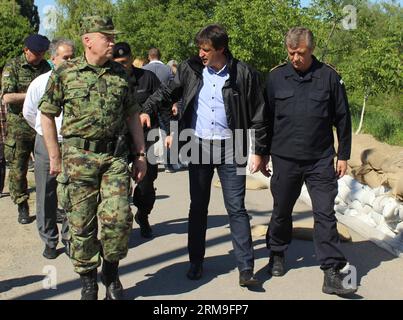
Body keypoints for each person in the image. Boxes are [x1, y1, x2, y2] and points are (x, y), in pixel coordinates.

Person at [143, 24, 268, 287]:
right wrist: (146, 108)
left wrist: (259, 150)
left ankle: (246, 268)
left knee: (237, 208)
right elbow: (167, 92)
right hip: (197, 144)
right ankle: (196, 262)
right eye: (199, 48)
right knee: (198, 207)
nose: (201, 53)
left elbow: (259, 114)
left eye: (206, 49)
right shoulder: (191, 69)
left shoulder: (243, 73)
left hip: (234, 146)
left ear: (221, 49)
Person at [39, 16, 147, 300]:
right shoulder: (65, 73)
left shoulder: (122, 74)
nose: (112, 42)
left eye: (113, 38)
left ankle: (111, 273)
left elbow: (132, 115)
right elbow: (47, 114)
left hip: (114, 158)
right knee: (81, 224)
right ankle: (88, 279)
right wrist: (55, 156)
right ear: (88, 40)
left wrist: (141, 154)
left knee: (119, 219)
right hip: (78, 158)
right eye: (106, 37)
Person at [261, 27, 357, 295]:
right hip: (285, 158)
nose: (295, 58)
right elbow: (265, 119)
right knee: (281, 211)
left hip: (320, 159)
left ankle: (331, 271)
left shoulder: (329, 77)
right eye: (291, 53)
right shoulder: (276, 78)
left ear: (311, 50)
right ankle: (277, 253)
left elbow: (343, 118)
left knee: (325, 214)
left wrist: (344, 155)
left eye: (300, 53)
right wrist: (262, 152)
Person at [23, 39, 75, 259]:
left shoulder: (79, 81)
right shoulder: (40, 82)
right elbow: (29, 113)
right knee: (47, 193)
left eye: (73, 57)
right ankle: (50, 240)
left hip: (73, 144)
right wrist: (46, 133)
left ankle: (70, 238)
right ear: (53, 59)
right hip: (46, 142)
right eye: (66, 57)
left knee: (73, 194)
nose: (70, 61)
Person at [112, 42, 161, 239]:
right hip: (119, 139)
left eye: (125, 61)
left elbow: (162, 97)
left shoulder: (147, 78)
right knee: (118, 184)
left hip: (147, 136)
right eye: (118, 62)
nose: (123, 65)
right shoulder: (109, 80)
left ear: (132, 58)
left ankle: (143, 214)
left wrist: (147, 111)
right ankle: (122, 221)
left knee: (146, 184)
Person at [1, 34, 51, 224]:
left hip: (41, 125)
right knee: (18, 169)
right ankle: (22, 205)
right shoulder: (13, 66)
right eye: (36, 53)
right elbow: (6, 97)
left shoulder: (46, 67)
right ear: (25, 50)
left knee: (46, 168)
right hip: (19, 128)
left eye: (42, 53)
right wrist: (32, 93)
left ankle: (49, 206)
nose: (39, 57)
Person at [143, 47, 176, 173]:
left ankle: (147, 161)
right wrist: (174, 104)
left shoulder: (144, 69)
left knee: (147, 133)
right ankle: (168, 164)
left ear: (149, 56)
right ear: (159, 56)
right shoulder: (167, 69)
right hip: (164, 105)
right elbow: (173, 88)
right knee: (166, 133)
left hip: (149, 105)